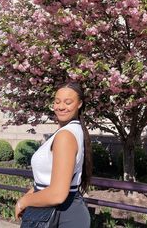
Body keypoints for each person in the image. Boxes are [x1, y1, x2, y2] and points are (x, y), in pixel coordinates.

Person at [15, 82, 92, 227]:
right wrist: (30, 194)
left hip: (62, 215)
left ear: (80, 104)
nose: (61, 106)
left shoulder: (65, 136)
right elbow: (47, 181)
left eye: (68, 102)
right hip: (60, 212)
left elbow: (57, 194)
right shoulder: (69, 131)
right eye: (57, 101)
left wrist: (23, 202)